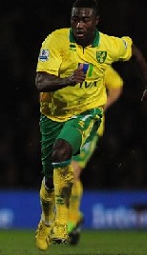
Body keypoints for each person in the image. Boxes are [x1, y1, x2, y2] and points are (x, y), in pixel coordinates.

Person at [34, 0, 147, 251]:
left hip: (88, 113)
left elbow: (134, 53)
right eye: (75, 19)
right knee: (50, 179)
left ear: (97, 21)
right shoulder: (56, 41)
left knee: (64, 155)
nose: (79, 25)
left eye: (85, 20)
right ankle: (46, 220)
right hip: (52, 116)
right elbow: (40, 82)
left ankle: (65, 220)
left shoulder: (107, 46)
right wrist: (68, 80)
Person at [67, 65, 123, 245]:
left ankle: (71, 219)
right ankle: (73, 217)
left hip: (90, 128)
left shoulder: (99, 64)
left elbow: (117, 85)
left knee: (72, 171)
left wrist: (102, 107)